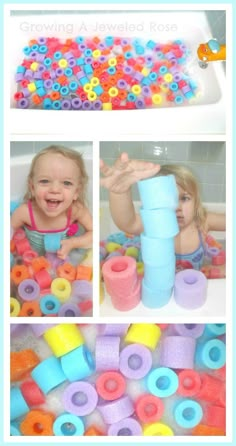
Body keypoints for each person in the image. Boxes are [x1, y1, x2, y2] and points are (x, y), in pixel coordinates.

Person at [100, 152, 226, 272]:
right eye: (166, 201)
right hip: (156, 288)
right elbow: (127, 223)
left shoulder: (202, 222)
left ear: (196, 202)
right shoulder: (153, 223)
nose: (176, 207)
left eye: (184, 198)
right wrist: (120, 192)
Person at [11, 145, 93, 259]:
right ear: (33, 188)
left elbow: (93, 233)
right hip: (31, 259)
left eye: (66, 183)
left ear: (76, 192)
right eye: (45, 181)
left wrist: (73, 243)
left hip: (64, 261)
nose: (55, 190)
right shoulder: (25, 213)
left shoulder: (76, 210)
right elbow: (8, 231)